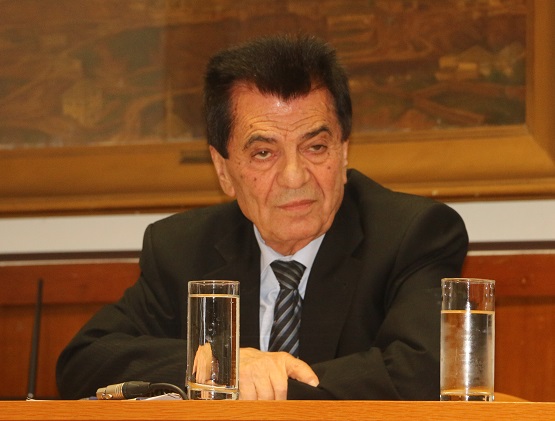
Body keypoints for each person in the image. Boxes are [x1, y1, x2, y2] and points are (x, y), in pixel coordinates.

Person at [56, 33, 468, 400]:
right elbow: (84, 361)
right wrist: (223, 365)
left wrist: (267, 384)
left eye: (315, 147)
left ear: (343, 152)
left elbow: (424, 374)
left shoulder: (413, 235)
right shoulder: (182, 249)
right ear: (223, 170)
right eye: (264, 153)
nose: (294, 177)